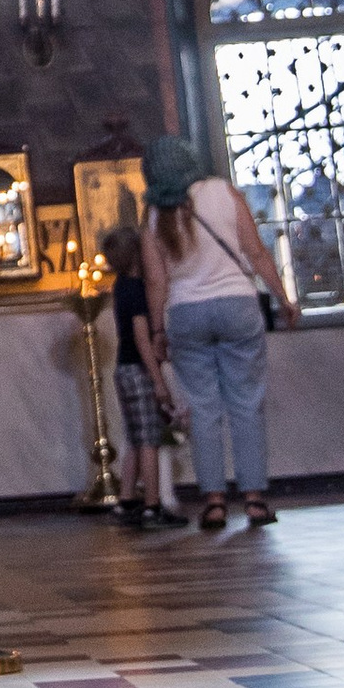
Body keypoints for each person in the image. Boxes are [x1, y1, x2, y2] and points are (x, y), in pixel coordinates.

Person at [140, 133, 295, 532]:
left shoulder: (155, 216)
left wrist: (158, 329)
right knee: (246, 403)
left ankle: (213, 503)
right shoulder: (223, 192)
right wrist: (283, 298)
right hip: (237, 306)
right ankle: (255, 499)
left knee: (203, 410)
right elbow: (256, 252)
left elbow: (156, 283)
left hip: (186, 314)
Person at [101, 220, 182, 530]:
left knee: (135, 439)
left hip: (125, 369)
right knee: (149, 440)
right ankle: (152, 505)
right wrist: (158, 381)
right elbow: (140, 336)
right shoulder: (135, 289)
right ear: (138, 255)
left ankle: (126, 501)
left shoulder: (121, 285)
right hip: (137, 369)